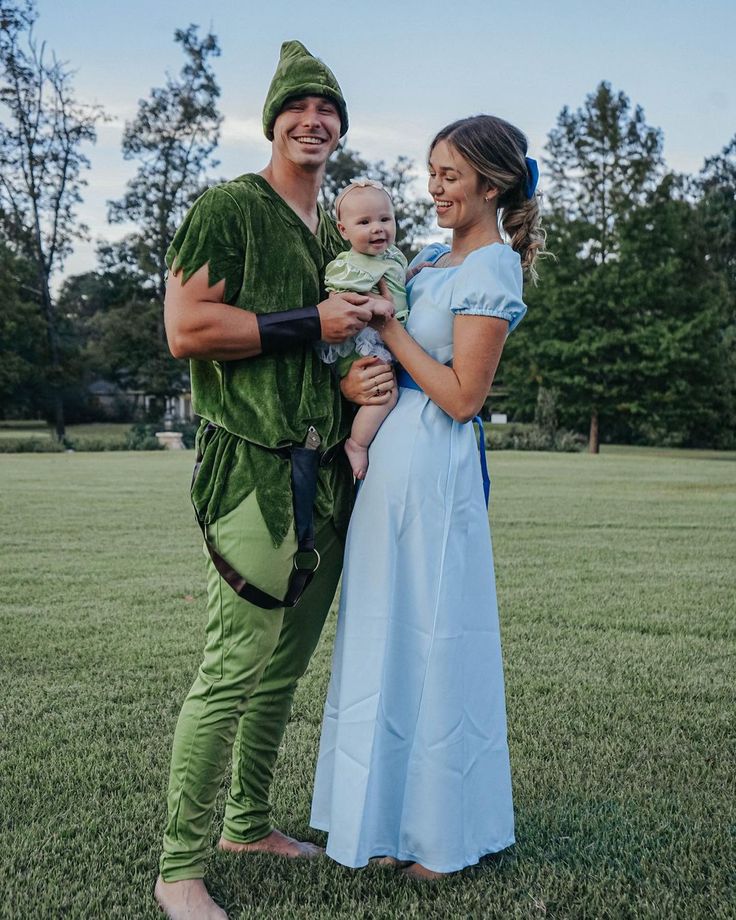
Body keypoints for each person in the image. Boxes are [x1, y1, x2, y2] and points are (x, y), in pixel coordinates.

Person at [154, 40, 394, 920]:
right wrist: (311, 321)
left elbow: (331, 344)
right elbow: (187, 327)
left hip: (327, 475)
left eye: (328, 110)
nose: (314, 120)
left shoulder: (334, 231)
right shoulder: (230, 208)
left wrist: (347, 380)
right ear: (273, 120)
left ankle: (248, 823)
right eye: (299, 107)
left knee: (284, 670)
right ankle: (179, 868)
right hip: (252, 475)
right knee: (231, 666)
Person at [311, 114, 545, 879]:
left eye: (449, 174)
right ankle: (380, 824)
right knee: (384, 633)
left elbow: (463, 396)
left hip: (437, 472)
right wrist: (355, 373)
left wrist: (389, 323)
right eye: (431, 172)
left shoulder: (492, 269)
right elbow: (371, 348)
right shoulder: (422, 256)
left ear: (491, 182)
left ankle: (442, 840)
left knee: (436, 637)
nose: (435, 187)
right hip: (389, 467)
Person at [317, 179, 408, 478]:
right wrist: (372, 306)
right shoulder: (350, 265)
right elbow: (338, 302)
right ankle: (357, 444)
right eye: (365, 222)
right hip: (361, 344)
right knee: (386, 393)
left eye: (385, 219)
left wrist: (415, 274)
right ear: (344, 230)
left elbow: (397, 283)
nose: (377, 228)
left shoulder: (392, 256)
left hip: (387, 337)